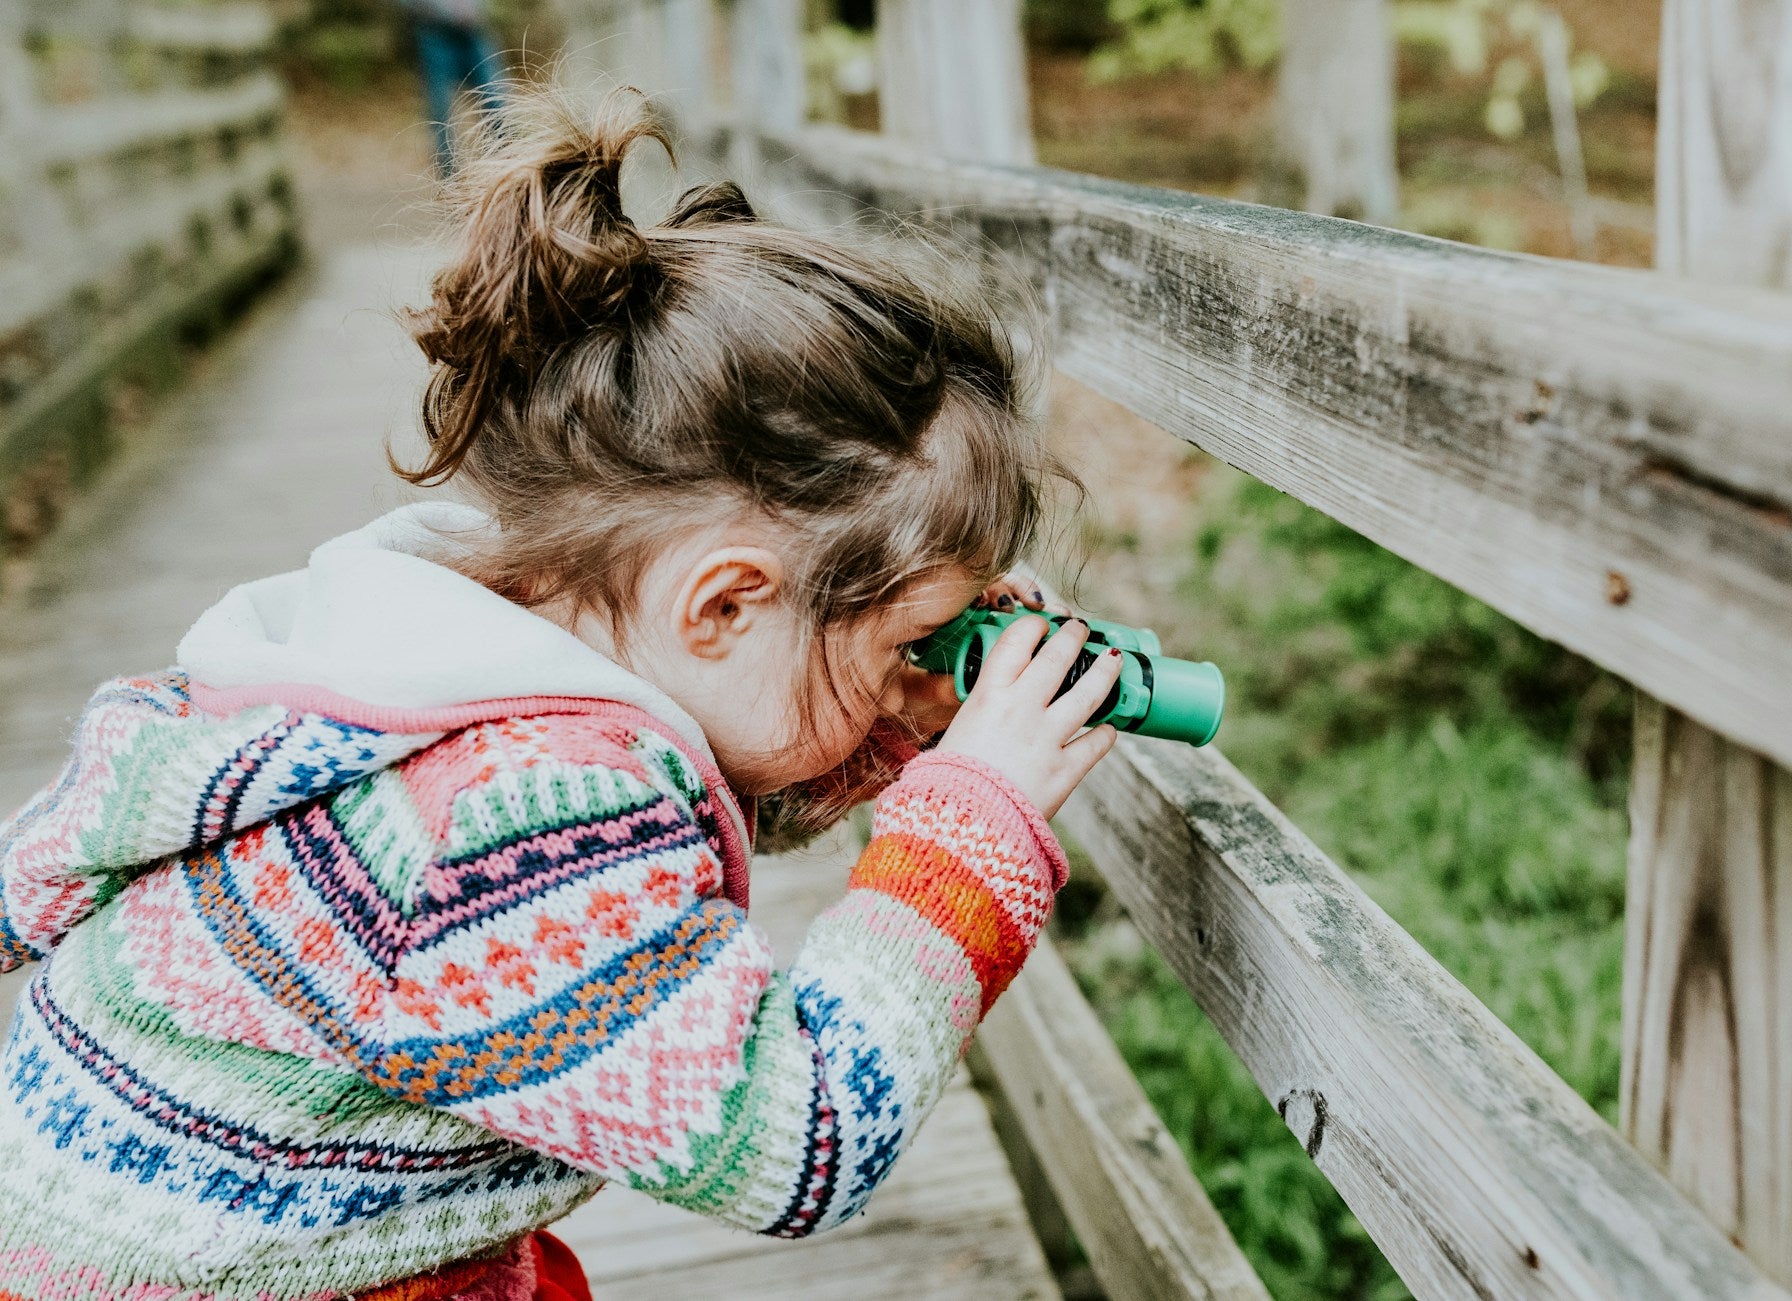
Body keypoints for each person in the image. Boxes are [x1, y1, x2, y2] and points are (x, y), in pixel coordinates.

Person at [0, 89, 1122, 1301]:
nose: (929, 661)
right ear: (725, 605)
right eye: (915, 633)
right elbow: (801, 1144)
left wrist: (888, 718)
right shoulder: (531, 814)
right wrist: (973, 820)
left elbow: (694, 795)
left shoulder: (422, 654)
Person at [402, 0, 512, 179]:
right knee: (441, 111)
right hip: (434, 35)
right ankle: (449, 179)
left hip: (474, 34)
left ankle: (508, 170)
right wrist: (447, 13)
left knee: (496, 101)